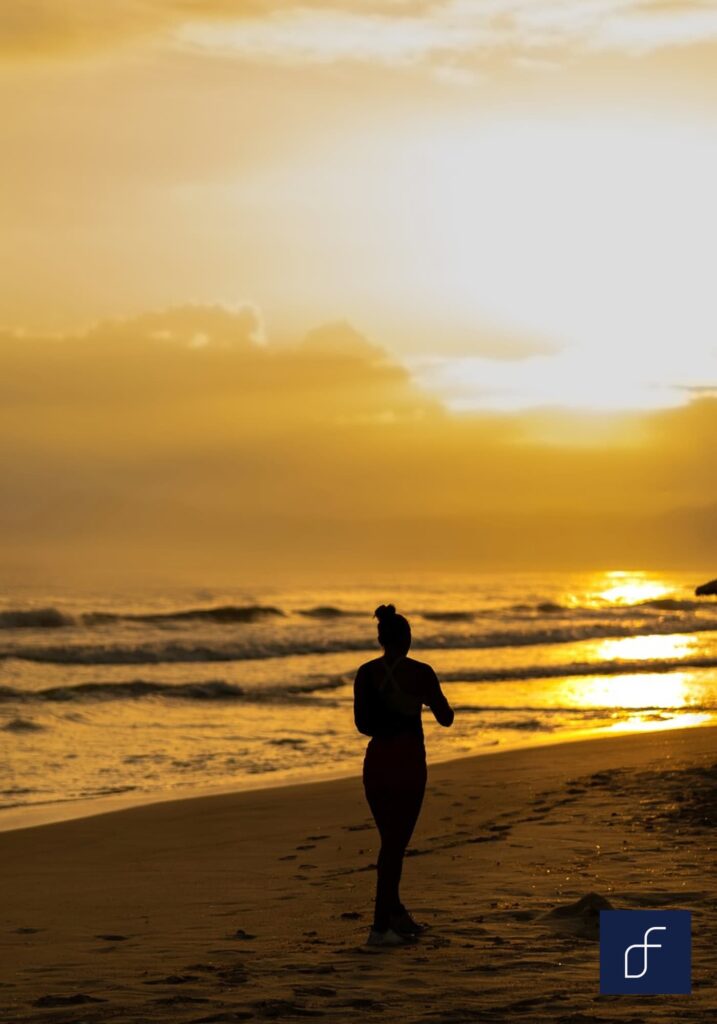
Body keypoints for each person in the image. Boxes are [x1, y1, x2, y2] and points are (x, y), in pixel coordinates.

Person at [353, 604, 454, 946]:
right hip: (409, 763)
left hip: (377, 763)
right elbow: (446, 717)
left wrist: (389, 716)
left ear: (380, 638)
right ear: (408, 639)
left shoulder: (366, 673)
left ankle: (395, 914)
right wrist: (418, 702)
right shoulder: (422, 672)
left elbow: (363, 725)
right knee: (395, 846)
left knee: (390, 843)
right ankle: (380, 927)